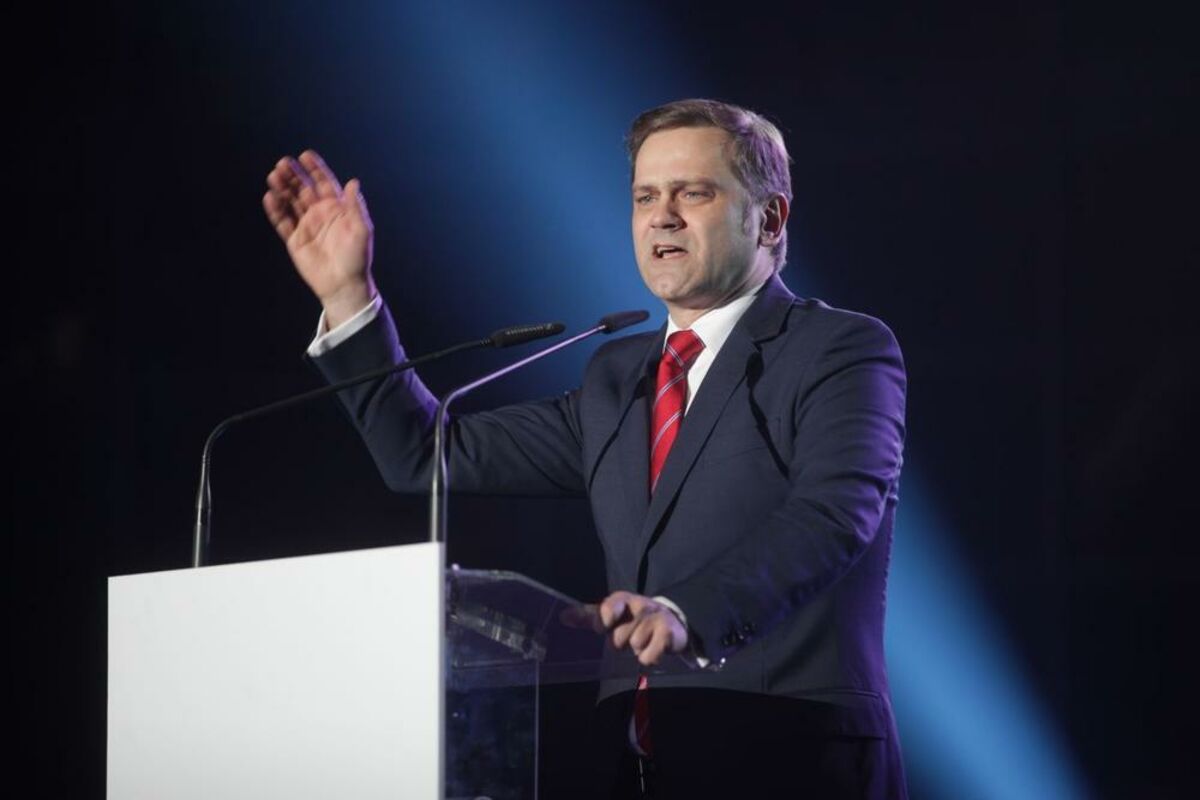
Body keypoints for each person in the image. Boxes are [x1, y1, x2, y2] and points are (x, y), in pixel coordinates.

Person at [264, 98, 908, 798]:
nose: (662, 216)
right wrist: (349, 296)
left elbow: (833, 515)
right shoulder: (617, 379)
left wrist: (685, 613)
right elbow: (425, 455)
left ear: (771, 219)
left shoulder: (838, 349)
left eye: (693, 193)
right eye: (645, 197)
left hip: (789, 754)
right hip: (636, 766)